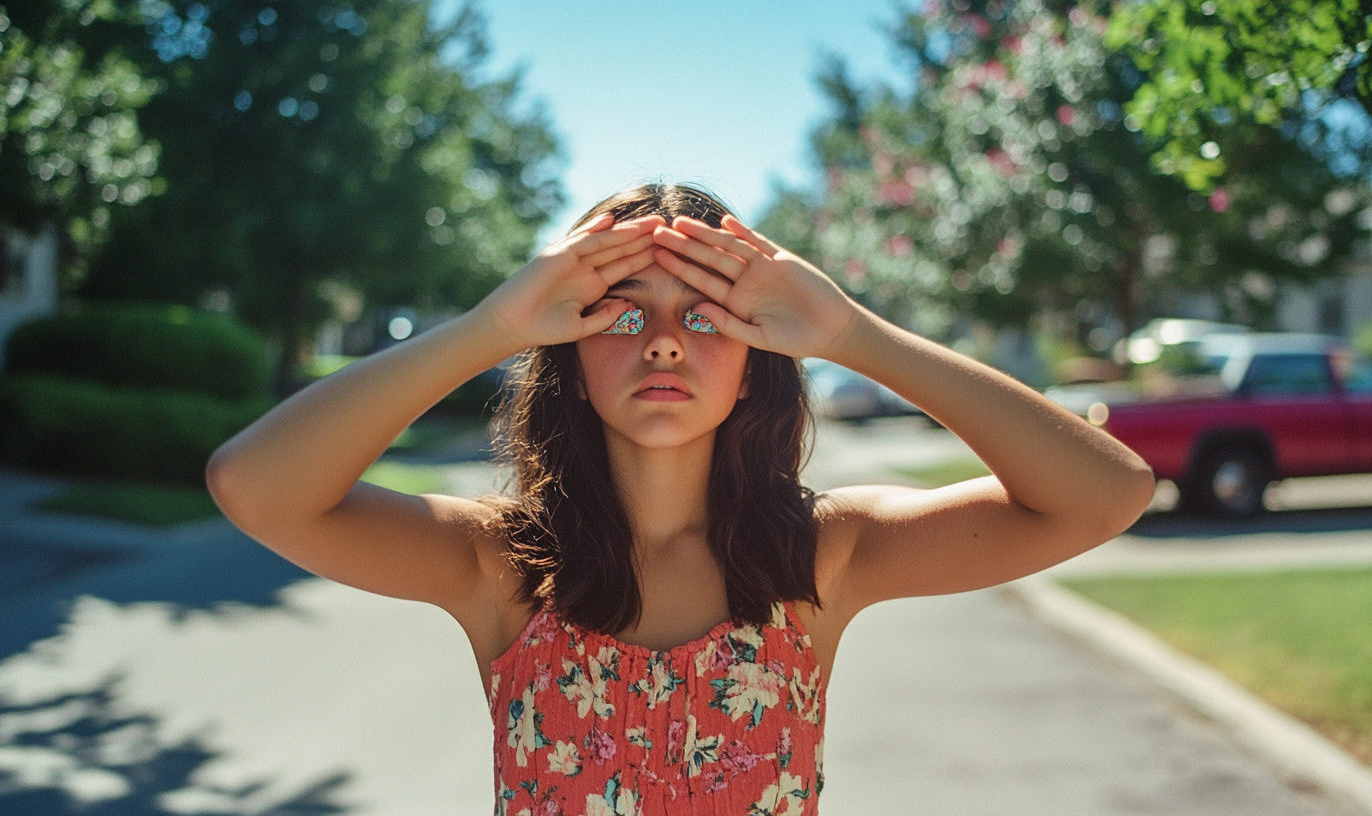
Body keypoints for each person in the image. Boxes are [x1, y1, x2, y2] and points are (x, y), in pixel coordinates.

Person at [206, 183, 1154, 815]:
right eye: (624, 314)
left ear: (754, 366)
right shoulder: (499, 565)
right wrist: (493, 325)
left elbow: (1106, 494)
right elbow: (254, 486)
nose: (665, 342)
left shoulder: (823, 556)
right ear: (571, 364)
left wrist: (853, 334)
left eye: (704, 317)